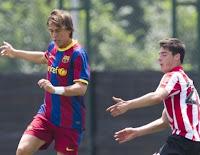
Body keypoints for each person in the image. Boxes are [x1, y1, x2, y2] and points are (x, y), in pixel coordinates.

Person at [0, 9, 90, 155]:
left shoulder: (78, 54)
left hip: (70, 121)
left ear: (69, 30)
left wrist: (55, 89)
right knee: (22, 150)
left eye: (58, 31)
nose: (54, 36)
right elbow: (43, 57)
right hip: (47, 116)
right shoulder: (53, 47)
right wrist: (15, 52)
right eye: (51, 31)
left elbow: (81, 88)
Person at [106, 38, 200, 155]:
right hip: (194, 144)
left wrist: (127, 105)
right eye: (159, 55)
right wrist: (137, 132)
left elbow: (157, 96)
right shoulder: (186, 82)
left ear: (177, 57)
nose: (159, 58)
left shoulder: (173, 75)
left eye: (164, 55)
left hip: (182, 142)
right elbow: (165, 121)